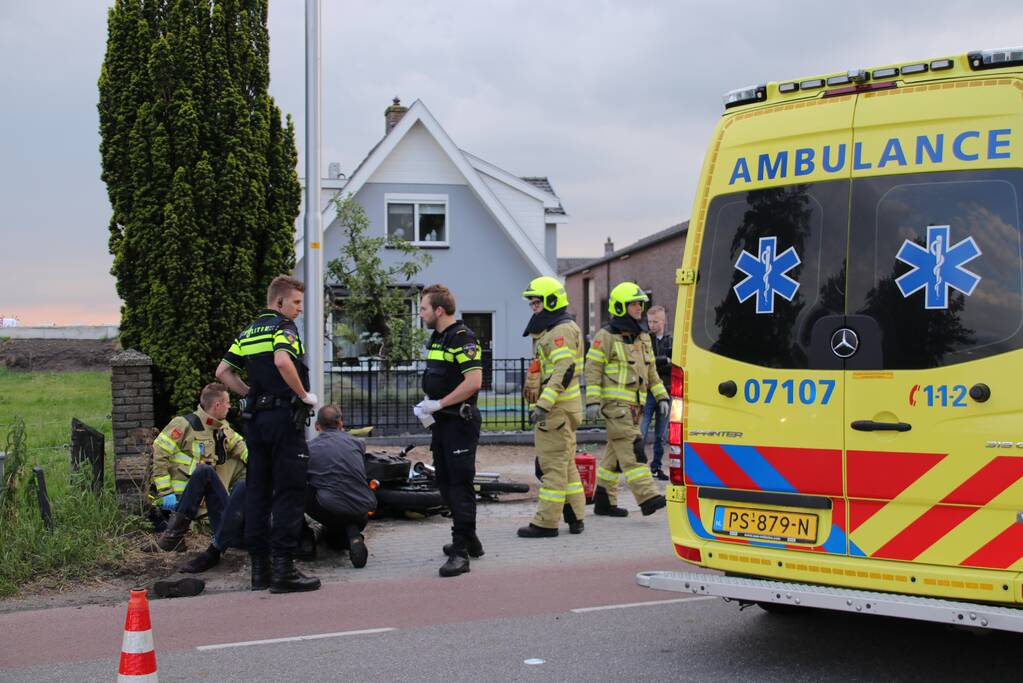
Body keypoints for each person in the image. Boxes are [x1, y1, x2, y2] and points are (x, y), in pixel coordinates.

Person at [216, 275, 321, 594]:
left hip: (256, 421)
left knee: (258, 491)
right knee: (289, 490)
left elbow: (222, 371)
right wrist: (303, 395)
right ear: (280, 302)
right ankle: (284, 570)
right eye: (296, 302)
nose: (299, 309)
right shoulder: (283, 327)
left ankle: (259, 571)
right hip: (283, 420)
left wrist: (250, 393)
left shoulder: (248, 332)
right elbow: (282, 360)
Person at [584, 282, 668, 518]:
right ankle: (647, 497)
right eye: (634, 304)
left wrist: (661, 395)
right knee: (633, 449)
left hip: (635, 408)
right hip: (616, 407)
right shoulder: (605, 336)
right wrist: (592, 401)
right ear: (620, 307)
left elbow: (651, 372)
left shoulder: (643, 337)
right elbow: (592, 369)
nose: (639, 308)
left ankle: (603, 500)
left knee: (614, 455)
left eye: (640, 304)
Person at [416, 284, 483, 577]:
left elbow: (473, 382)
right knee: (444, 482)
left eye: (423, 308)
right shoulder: (438, 338)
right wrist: (428, 404)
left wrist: (440, 403)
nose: (421, 313)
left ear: (439, 310)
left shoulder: (462, 338)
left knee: (459, 484)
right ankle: (469, 537)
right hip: (442, 422)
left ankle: (460, 552)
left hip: (459, 422)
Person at [517, 276, 586, 538]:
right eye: (532, 303)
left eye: (537, 302)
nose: (533, 308)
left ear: (552, 302)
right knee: (566, 465)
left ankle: (546, 523)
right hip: (565, 409)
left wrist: (543, 405)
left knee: (552, 468)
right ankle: (576, 517)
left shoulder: (559, 331)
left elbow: (563, 370)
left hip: (556, 410)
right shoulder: (558, 328)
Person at [144, 382, 247, 553]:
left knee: (243, 463)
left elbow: (239, 446)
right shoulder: (184, 424)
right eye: (228, 403)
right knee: (204, 471)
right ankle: (175, 535)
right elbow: (159, 453)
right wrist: (165, 492)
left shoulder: (221, 426)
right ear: (217, 405)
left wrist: (262, 464)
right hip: (180, 500)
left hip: (206, 502)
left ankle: (242, 514)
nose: (230, 407)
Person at [305, 405, 376, 569]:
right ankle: (350, 538)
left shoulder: (310, 448)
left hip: (331, 511)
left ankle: (303, 541)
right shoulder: (358, 443)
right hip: (362, 511)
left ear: (317, 426)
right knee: (336, 533)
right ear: (340, 423)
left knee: (300, 488)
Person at [639, 304, 673, 480]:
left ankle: (656, 467)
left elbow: (675, 364)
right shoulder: (645, 339)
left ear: (663, 321)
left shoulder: (672, 340)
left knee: (661, 434)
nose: (651, 325)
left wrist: (658, 363)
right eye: (649, 321)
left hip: (666, 392)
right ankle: (638, 467)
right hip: (647, 392)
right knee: (641, 432)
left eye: (655, 322)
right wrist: (664, 360)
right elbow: (646, 363)